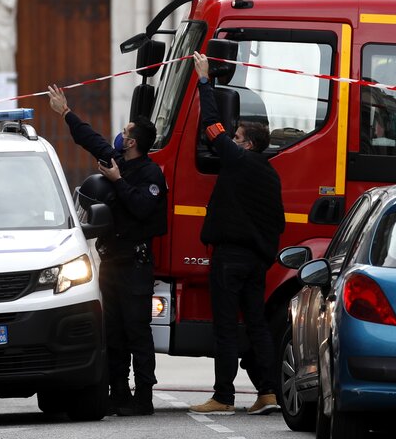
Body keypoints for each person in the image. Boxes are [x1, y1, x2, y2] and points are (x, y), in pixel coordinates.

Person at [47, 84, 167, 416]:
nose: (118, 135)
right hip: (112, 262)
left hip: (136, 264)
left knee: (137, 332)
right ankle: (119, 394)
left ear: (132, 142)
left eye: (125, 132)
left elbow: (143, 207)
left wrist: (117, 181)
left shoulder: (150, 173)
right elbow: (90, 139)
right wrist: (66, 112)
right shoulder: (116, 161)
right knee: (112, 333)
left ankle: (143, 397)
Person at [187, 51, 284, 416]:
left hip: (229, 258)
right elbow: (276, 221)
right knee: (256, 325)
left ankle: (223, 396)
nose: (232, 137)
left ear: (247, 144)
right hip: (256, 262)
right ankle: (269, 392)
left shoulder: (238, 160)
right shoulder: (270, 173)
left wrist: (204, 80)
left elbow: (211, 125)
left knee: (226, 327)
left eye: (237, 136)